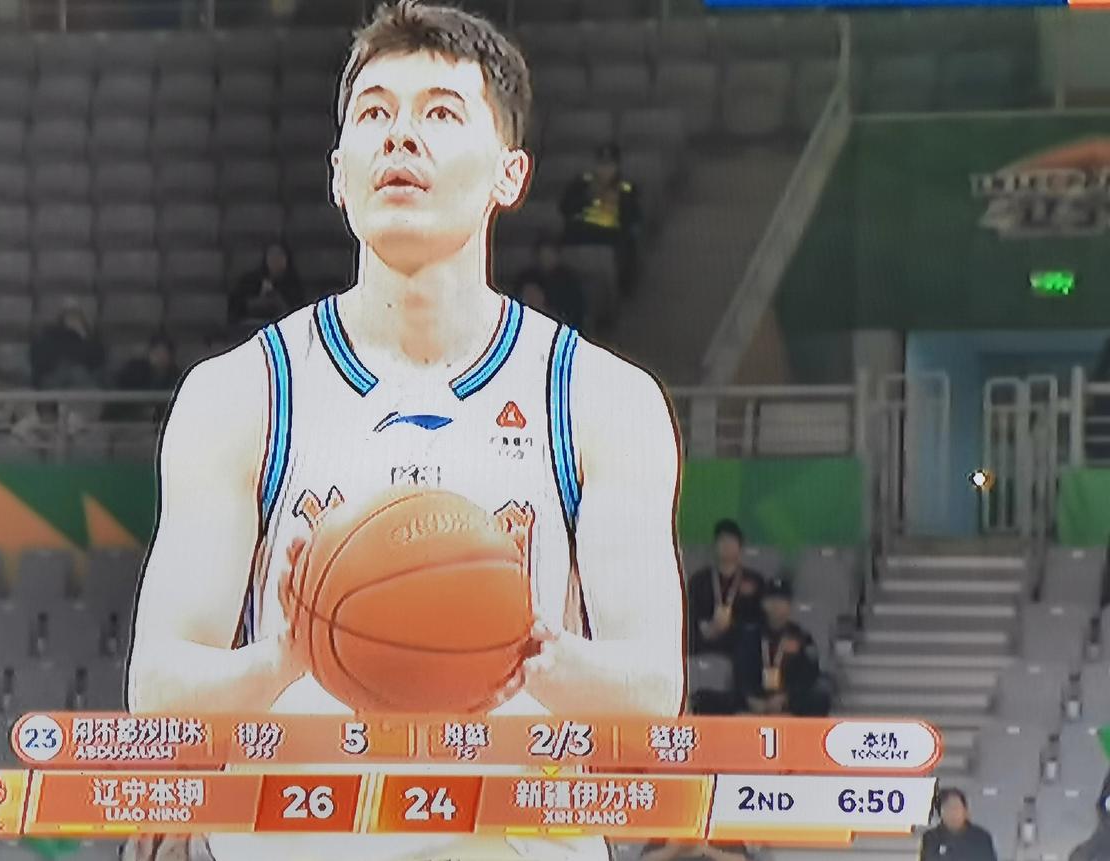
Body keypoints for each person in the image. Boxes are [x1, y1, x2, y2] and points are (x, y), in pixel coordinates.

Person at [125, 3, 686, 860]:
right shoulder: (240, 393)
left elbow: (652, 695)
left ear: (510, 174)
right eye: (375, 113)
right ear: (338, 173)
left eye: (441, 113)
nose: (400, 136)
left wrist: (534, 653)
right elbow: (158, 691)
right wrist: (287, 655)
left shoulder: (601, 400)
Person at [733, 577, 830, 717]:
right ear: (763, 604)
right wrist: (751, 698)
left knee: (820, 697)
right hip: (757, 697)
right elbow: (740, 671)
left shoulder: (801, 637)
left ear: (789, 606)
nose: (776, 605)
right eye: (772, 600)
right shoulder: (750, 636)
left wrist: (786, 697)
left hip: (788, 700)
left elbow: (809, 674)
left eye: (781, 601)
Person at [560, 142, 642, 295]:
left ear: (617, 167)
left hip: (611, 236)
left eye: (609, 165)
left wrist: (618, 201)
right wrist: (588, 198)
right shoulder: (582, 183)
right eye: (601, 165)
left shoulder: (626, 188)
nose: (605, 170)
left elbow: (634, 217)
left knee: (626, 245)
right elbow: (565, 208)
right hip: (582, 234)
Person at [687, 519, 766, 657]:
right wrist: (708, 628)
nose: (727, 545)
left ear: (740, 547)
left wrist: (731, 625)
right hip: (704, 640)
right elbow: (690, 614)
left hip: (737, 643)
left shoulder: (755, 581)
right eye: (722, 541)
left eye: (731, 541)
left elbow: (759, 619)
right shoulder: (699, 580)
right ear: (714, 546)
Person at [104, 333, 181, 423]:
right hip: (131, 419)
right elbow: (123, 397)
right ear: (149, 353)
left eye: (165, 354)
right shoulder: (134, 371)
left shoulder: (177, 376)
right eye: (157, 353)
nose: (160, 357)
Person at [228, 241, 305, 329]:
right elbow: (235, 305)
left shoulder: (293, 285)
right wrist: (255, 303)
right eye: (272, 255)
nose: (275, 259)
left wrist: (278, 301)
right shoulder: (250, 280)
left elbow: (297, 313)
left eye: (279, 255)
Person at [30, 302, 106, 390]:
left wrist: (83, 335)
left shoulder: (89, 340)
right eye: (70, 315)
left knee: (80, 373)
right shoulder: (49, 336)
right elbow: (39, 360)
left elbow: (98, 361)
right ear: (62, 318)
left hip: (81, 381)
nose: (73, 320)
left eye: (76, 316)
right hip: (54, 378)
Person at [515, 238, 586, 329]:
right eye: (542, 254)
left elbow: (576, 310)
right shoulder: (527, 278)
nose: (546, 258)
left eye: (549, 254)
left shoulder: (569, 280)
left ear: (557, 255)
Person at [919, 788, 998, 861]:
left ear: (965, 811)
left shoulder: (981, 837)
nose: (953, 813)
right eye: (947, 808)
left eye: (956, 808)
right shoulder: (931, 837)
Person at [638, 840, 756, 861]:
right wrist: (673, 850)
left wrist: (707, 850)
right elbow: (645, 859)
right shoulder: (670, 830)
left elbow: (743, 859)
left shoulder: (720, 832)